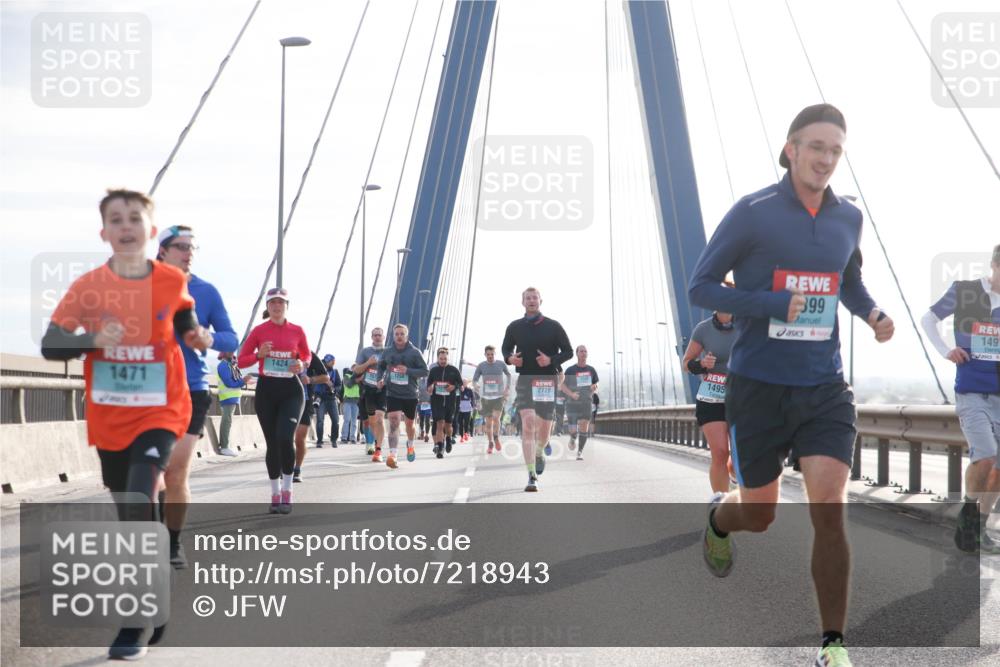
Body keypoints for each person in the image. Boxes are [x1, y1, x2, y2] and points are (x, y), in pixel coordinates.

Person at [688, 103, 894, 667]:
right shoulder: (752, 213)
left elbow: (848, 282)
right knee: (760, 514)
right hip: (758, 386)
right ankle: (719, 518)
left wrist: (872, 313)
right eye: (816, 147)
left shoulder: (848, 217)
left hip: (824, 387)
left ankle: (833, 645)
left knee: (829, 506)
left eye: (836, 150)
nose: (826, 159)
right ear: (791, 149)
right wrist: (771, 303)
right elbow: (701, 287)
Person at [42, 188, 211, 659]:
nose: (125, 225)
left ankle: (134, 620)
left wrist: (196, 336)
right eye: (115, 219)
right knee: (130, 511)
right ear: (104, 233)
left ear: (150, 230)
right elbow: (51, 344)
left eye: (134, 218)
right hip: (110, 416)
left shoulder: (170, 281)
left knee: (140, 497)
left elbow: (184, 321)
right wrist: (94, 339)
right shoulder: (88, 286)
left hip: (162, 410)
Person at [157, 225, 238, 569]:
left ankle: (173, 542)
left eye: (192, 247)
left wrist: (208, 337)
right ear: (162, 250)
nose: (188, 252)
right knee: (149, 474)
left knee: (175, 474)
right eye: (181, 246)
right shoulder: (139, 285)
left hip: (191, 389)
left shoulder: (206, 291)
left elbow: (231, 339)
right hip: (147, 389)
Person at [922, 243, 1000, 553]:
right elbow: (929, 319)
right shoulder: (965, 291)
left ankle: (978, 527)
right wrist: (946, 351)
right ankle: (968, 516)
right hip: (971, 392)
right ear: (994, 265)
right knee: (985, 455)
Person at [237, 287, 310, 514]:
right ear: (267, 307)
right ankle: (275, 493)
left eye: (281, 302)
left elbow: (306, 355)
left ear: (287, 306)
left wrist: (301, 364)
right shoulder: (259, 331)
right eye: (273, 303)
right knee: (272, 443)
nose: (277, 306)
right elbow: (241, 361)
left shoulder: (297, 330)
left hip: (291, 390)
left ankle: (287, 491)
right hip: (267, 391)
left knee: (285, 438)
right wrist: (258, 355)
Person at [502, 287, 573, 492]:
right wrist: (510, 359)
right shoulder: (514, 327)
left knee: (544, 428)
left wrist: (551, 360)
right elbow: (506, 349)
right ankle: (531, 475)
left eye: (535, 297)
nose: (531, 300)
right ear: (522, 302)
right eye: (528, 298)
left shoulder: (553, 326)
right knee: (528, 424)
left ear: (541, 301)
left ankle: (540, 451)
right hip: (525, 379)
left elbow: (568, 351)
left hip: (547, 380)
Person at [682, 297, 737, 493]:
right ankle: (720, 502)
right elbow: (686, 364)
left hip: (740, 397)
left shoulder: (747, 326)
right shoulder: (703, 329)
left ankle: (733, 474)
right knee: (720, 453)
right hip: (711, 396)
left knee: (739, 456)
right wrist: (702, 364)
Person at [377, 324, 429, 467]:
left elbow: (425, 371)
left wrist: (408, 371)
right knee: (393, 422)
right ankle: (393, 455)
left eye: (402, 334)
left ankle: (410, 444)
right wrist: (380, 379)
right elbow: (381, 366)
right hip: (392, 393)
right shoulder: (387, 352)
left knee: (409, 425)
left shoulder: (415, 352)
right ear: (393, 336)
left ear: (406, 336)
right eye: (396, 334)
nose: (399, 336)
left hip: (410, 394)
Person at [293, 351, 332, 482]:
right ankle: (284, 466)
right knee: (284, 438)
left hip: (305, 400)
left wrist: (310, 380)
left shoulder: (308, 354)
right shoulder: (279, 350)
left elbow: (326, 377)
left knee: (300, 438)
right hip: (283, 400)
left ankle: (297, 469)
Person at [353, 327, 387, 461]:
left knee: (379, 418)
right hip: (368, 390)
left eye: (379, 335)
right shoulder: (365, 352)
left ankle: (378, 450)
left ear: (383, 337)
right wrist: (368, 363)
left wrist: (385, 379)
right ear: (372, 337)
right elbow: (356, 370)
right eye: (375, 335)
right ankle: (376, 441)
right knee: (372, 422)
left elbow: (394, 369)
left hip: (383, 389)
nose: (377, 337)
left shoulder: (388, 352)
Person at [561, 346, 599, 461]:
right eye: (581, 351)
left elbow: (596, 384)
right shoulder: (570, 370)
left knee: (584, 426)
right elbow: (562, 386)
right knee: (573, 431)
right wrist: (572, 394)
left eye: (585, 351)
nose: (583, 353)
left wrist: (594, 387)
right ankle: (573, 438)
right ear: (577, 354)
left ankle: (580, 452)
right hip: (572, 403)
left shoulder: (591, 370)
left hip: (586, 402)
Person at [427, 347, 462, 458]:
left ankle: (448, 438)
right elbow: (429, 383)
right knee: (439, 423)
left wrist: (454, 386)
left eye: (445, 359)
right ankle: (440, 447)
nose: (443, 361)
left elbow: (460, 383)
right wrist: (430, 387)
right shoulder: (433, 370)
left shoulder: (454, 370)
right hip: (437, 401)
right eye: (441, 359)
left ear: (448, 358)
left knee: (448, 425)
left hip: (450, 401)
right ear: (438, 358)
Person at [215, 352, 250, 457]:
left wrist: (243, 381)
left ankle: (225, 446)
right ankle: (224, 447)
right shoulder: (223, 365)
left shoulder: (230, 365)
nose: (233, 354)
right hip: (227, 397)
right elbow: (229, 383)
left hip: (232, 397)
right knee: (227, 420)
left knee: (228, 421)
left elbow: (235, 380)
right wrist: (243, 381)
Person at [314, 354, 341, 447]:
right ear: (326, 362)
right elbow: (313, 382)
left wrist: (332, 387)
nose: (333, 363)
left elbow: (339, 386)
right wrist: (323, 380)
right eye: (331, 361)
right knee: (320, 421)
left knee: (336, 420)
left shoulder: (335, 372)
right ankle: (319, 441)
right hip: (320, 398)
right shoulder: (318, 371)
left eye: (334, 361)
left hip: (331, 398)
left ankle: (334, 440)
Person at [340, 367, 361, 443]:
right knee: (347, 420)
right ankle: (344, 437)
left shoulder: (359, 377)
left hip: (356, 401)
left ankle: (353, 438)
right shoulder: (346, 376)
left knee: (354, 421)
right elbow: (349, 384)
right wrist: (356, 380)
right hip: (347, 401)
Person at [418, 377, 433, 442]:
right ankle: (422, 431)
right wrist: (418, 400)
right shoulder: (419, 381)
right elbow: (417, 391)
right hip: (421, 403)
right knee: (421, 419)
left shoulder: (431, 381)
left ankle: (426, 435)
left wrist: (430, 401)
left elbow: (433, 392)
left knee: (427, 419)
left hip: (428, 404)